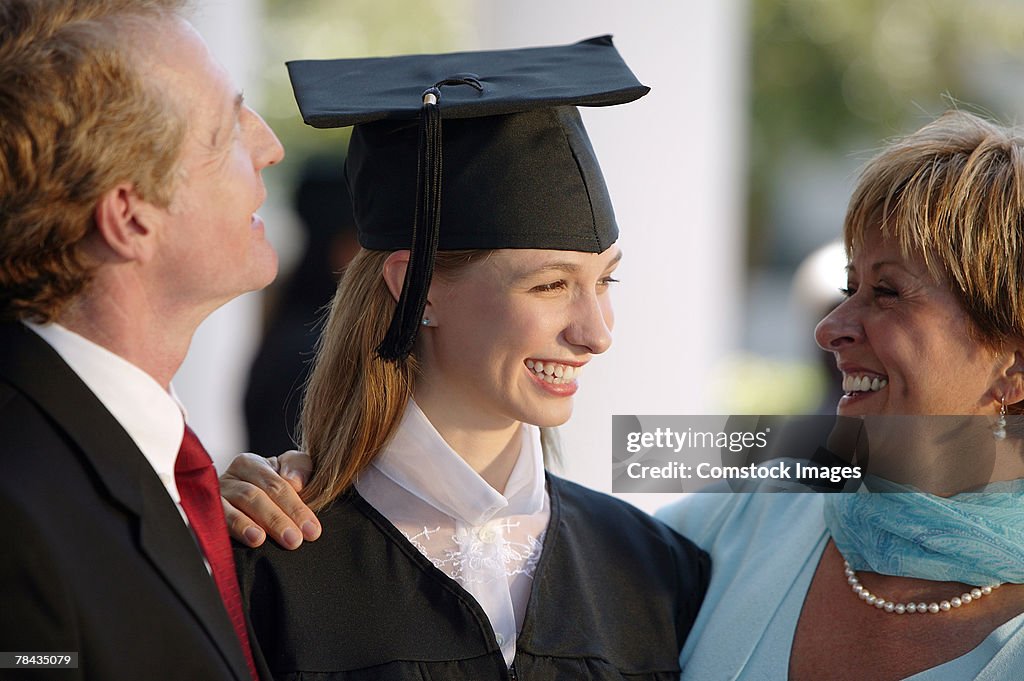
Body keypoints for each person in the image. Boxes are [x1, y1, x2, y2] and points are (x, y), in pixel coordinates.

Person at [230, 37, 709, 680]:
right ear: (418, 289)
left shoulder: (656, 569)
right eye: (550, 285)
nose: (596, 334)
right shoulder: (269, 564)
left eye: (605, 282)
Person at [657, 110, 1024, 680]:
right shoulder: (729, 527)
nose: (828, 330)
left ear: (1013, 367)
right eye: (849, 288)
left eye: (887, 292)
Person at [0, 1, 283, 679]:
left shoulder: (166, 476)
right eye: (226, 129)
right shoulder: (16, 513)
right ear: (129, 219)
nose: (269, 142)